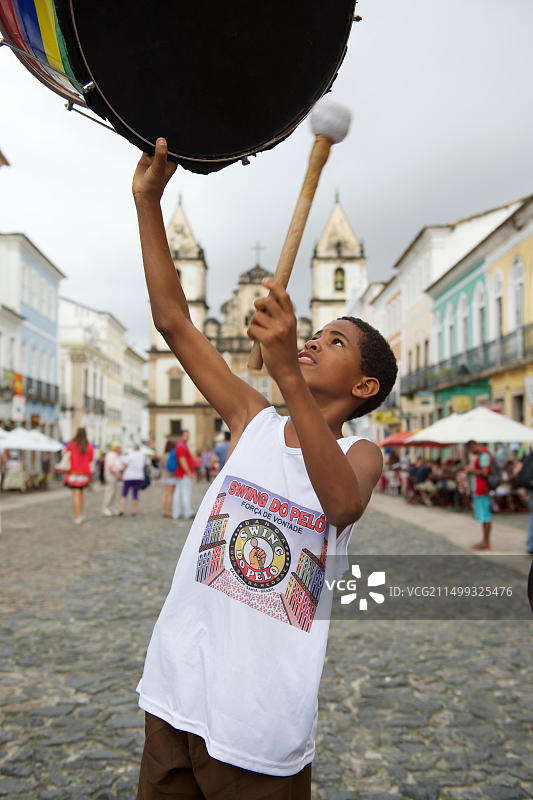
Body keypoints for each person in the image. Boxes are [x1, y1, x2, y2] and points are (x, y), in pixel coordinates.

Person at [132, 138, 397, 799]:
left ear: (364, 387)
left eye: (334, 341)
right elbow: (173, 321)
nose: (313, 342)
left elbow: (341, 504)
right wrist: (147, 203)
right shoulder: (252, 419)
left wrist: (286, 373)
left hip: (257, 724)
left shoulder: (362, 454)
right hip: (176, 692)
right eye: (315, 335)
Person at [465, 439, 492, 550]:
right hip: (479, 489)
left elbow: (485, 472)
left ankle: (486, 542)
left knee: (485, 516)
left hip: (482, 489)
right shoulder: (482, 455)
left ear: (473, 446)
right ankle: (484, 541)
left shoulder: (484, 455)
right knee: (483, 517)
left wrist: (471, 470)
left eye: (470, 449)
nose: (471, 452)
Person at [64, 427, 94, 524]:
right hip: (84, 473)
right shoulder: (89, 446)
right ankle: (80, 513)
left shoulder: (71, 444)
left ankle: (78, 516)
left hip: (73, 473)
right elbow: (91, 459)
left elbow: (65, 455)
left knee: (76, 494)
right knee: (81, 493)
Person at [171, 429, 195, 520]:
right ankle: (188, 512)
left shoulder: (181, 445)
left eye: (188, 436)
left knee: (178, 493)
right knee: (185, 493)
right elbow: (182, 460)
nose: (187, 437)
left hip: (180, 473)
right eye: (185, 435)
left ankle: (176, 513)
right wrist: (189, 472)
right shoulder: (181, 446)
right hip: (184, 474)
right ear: (181, 436)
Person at [118, 444, 147, 517]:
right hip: (138, 476)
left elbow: (125, 464)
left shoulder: (130, 455)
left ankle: (121, 509)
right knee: (135, 494)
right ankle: (134, 510)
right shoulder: (142, 455)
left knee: (124, 493)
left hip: (128, 476)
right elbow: (146, 464)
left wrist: (122, 473)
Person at [102, 441, 123, 517]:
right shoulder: (111, 455)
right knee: (110, 492)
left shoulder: (116, 455)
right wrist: (117, 474)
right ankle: (106, 507)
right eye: (119, 447)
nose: (120, 449)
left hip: (115, 474)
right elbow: (110, 467)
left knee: (115, 493)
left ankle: (114, 508)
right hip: (111, 474)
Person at [160, 439, 177, 518]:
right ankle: (169, 511)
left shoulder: (163, 455)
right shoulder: (173, 455)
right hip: (171, 476)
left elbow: (161, 466)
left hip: (164, 476)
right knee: (170, 494)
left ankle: (164, 511)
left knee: (164, 494)